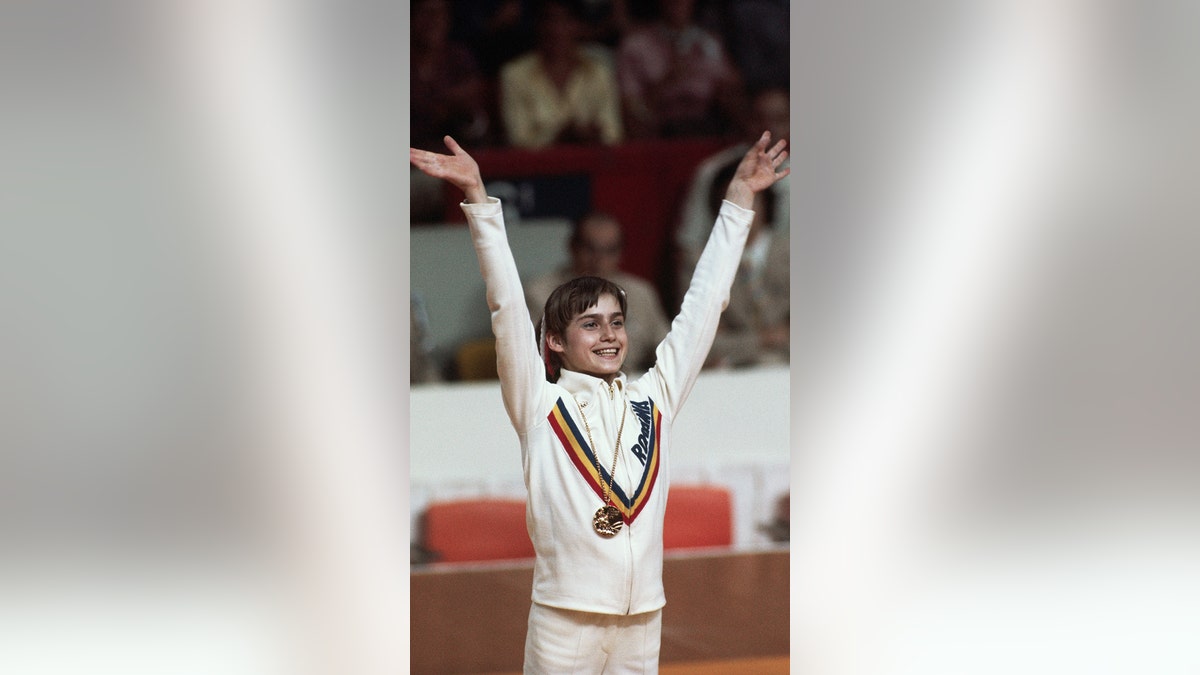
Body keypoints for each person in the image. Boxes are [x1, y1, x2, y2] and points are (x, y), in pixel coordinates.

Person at [409, 130, 788, 673]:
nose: (609, 335)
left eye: (615, 322)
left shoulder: (653, 397)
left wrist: (739, 202)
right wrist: (477, 198)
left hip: (643, 621)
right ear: (554, 343)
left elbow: (706, 304)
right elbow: (506, 303)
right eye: (590, 325)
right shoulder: (540, 403)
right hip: (566, 623)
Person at [524, 212, 669, 371]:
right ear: (572, 247)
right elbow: (530, 361)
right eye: (590, 249)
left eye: (609, 250)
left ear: (621, 253)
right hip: (564, 388)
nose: (599, 259)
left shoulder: (641, 293)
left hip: (629, 386)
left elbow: (667, 351)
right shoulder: (540, 293)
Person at [499, 0, 624, 149]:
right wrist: (559, 137)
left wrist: (593, 135)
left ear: (579, 26)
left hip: (593, 165)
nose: (556, 29)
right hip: (539, 170)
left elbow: (613, 135)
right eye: (549, 19)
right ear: (537, 24)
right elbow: (518, 141)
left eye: (566, 20)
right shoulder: (514, 75)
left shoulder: (599, 73)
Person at [615, 0, 744, 138]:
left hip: (708, 130)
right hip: (659, 134)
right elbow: (632, 110)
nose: (677, 3)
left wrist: (728, 97)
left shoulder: (710, 43)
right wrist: (668, 81)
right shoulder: (635, 46)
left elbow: (734, 93)